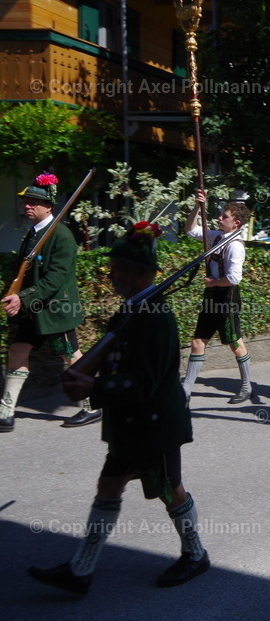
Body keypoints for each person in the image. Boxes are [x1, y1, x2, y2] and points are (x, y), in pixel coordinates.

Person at [28, 222, 209, 594]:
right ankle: (81, 570)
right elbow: (112, 355)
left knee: (170, 490)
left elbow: (145, 383)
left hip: (155, 425)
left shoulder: (156, 317)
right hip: (130, 423)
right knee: (109, 485)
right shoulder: (132, 309)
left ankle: (195, 554)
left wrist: (93, 386)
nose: (112, 275)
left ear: (141, 274)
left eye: (119, 269)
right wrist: (86, 374)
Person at [1, 172, 99, 432]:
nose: (27, 206)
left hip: (54, 310)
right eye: (26, 202)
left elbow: (56, 278)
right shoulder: (34, 233)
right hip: (32, 309)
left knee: (72, 356)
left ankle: (93, 406)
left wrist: (22, 298)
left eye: (34, 202)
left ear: (48, 207)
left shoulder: (61, 235)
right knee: (17, 351)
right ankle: (6, 411)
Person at [181, 189, 253, 404]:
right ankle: (185, 391)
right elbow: (191, 230)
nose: (219, 218)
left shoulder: (235, 246)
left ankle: (246, 386)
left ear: (236, 223)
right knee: (197, 342)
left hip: (227, 298)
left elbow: (234, 278)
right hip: (212, 295)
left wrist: (212, 282)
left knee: (234, 342)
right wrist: (197, 206)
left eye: (224, 216)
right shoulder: (217, 237)